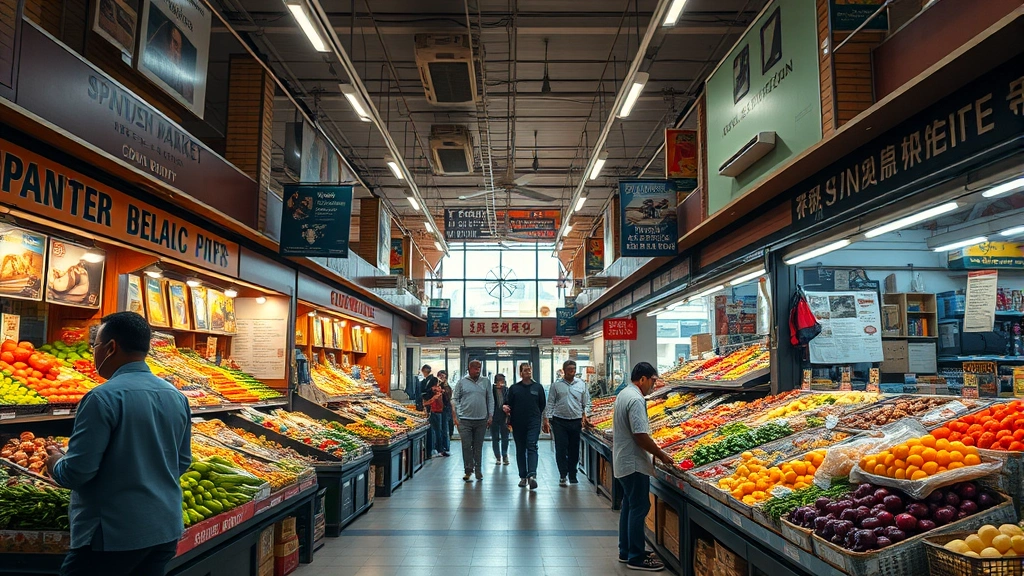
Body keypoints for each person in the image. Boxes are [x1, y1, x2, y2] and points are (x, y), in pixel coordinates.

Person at [45, 312, 191, 576]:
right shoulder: (176, 396)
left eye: (95, 346)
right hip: (165, 530)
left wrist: (55, 462)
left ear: (111, 347)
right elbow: (181, 462)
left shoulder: (102, 398)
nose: (94, 353)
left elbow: (78, 471)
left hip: (113, 534)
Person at [614, 362, 673, 572]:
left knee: (629, 506)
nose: (653, 385)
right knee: (639, 507)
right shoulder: (636, 399)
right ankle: (636, 556)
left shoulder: (624, 394)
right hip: (633, 463)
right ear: (642, 379)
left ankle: (626, 550)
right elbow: (640, 435)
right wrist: (660, 454)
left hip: (623, 460)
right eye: (652, 381)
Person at [543, 360, 591, 486]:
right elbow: (550, 403)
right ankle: (563, 475)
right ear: (564, 370)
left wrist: (585, 414)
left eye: (574, 369)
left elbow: (586, 402)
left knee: (574, 449)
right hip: (559, 421)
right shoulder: (556, 385)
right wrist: (547, 419)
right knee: (561, 449)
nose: (572, 371)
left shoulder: (581, 384)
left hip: (576, 421)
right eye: (569, 369)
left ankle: (573, 474)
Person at [503, 362, 545, 489]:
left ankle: (532, 474)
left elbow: (542, 405)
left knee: (532, 445)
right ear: (520, 373)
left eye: (529, 370)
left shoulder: (538, 387)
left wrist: (541, 419)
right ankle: (523, 476)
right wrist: (505, 407)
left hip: (533, 421)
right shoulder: (514, 388)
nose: (528, 372)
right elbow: (507, 403)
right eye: (525, 370)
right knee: (520, 449)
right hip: (518, 422)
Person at [452, 360, 492, 481]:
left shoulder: (486, 382)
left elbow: (490, 399)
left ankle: (478, 469)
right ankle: (468, 470)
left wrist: (490, 415)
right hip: (465, 420)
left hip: (481, 419)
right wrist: (458, 412)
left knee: (478, 446)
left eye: (479, 367)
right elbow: (455, 399)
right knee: (466, 445)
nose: (477, 370)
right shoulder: (462, 382)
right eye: (475, 368)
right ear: (469, 369)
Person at [421, 377, 448, 458]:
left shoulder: (440, 393)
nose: (439, 387)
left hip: (439, 413)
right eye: (437, 385)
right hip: (432, 413)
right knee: (435, 432)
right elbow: (424, 404)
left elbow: (443, 404)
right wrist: (434, 398)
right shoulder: (428, 394)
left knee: (438, 431)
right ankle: (435, 450)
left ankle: (439, 449)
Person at [490, 374, 510, 465]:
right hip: (494, 416)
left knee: (505, 437)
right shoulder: (491, 390)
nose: (502, 383)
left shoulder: (506, 390)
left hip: (504, 416)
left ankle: (505, 455)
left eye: (503, 381)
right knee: (495, 437)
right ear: (496, 381)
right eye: (501, 380)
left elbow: (509, 401)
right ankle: (497, 457)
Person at [437, 370, 452, 457]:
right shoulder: (437, 385)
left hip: (445, 409)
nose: (442, 378)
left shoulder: (446, 387)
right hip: (439, 409)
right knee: (440, 429)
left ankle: (446, 448)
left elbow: (448, 397)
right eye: (440, 376)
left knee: (444, 428)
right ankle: (441, 448)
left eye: (443, 376)